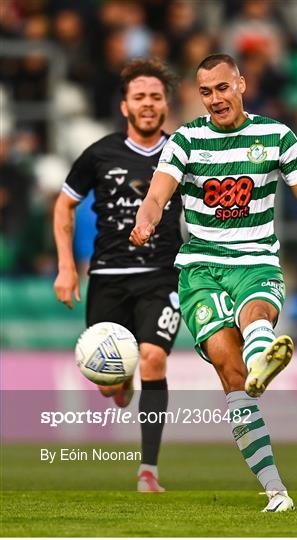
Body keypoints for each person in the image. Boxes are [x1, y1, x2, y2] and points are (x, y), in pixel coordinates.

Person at [130, 53, 297, 511]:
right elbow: (156, 196)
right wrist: (145, 222)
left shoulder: (277, 136)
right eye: (205, 92)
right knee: (232, 372)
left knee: (256, 312)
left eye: (222, 88)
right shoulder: (186, 140)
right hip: (201, 270)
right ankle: (275, 488)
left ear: (241, 84)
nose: (215, 99)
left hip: (256, 262)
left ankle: (262, 352)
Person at [53, 58, 182, 493]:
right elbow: (64, 204)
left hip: (160, 276)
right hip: (107, 276)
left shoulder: (181, 155)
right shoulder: (100, 154)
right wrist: (68, 267)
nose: (148, 104)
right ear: (125, 106)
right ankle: (119, 380)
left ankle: (148, 469)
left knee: (154, 358)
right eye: (139, 97)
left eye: (156, 97)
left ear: (166, 104)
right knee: (110, 383)